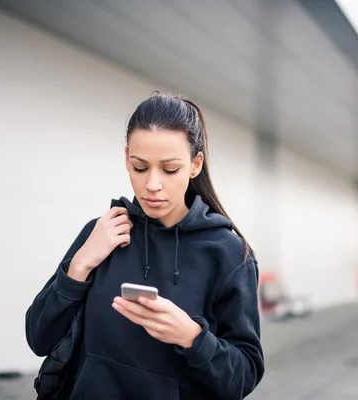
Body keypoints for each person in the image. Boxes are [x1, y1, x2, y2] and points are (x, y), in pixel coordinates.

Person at [25, 94, 265, 399]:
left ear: (195, 164)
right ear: (127, 158)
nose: (152, 184)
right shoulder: (102, 233)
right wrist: (81, 264)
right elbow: (38, 337)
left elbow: (243, 377)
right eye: (140, 167)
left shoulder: (229, 255)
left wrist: (193, 338)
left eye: (169, 169)